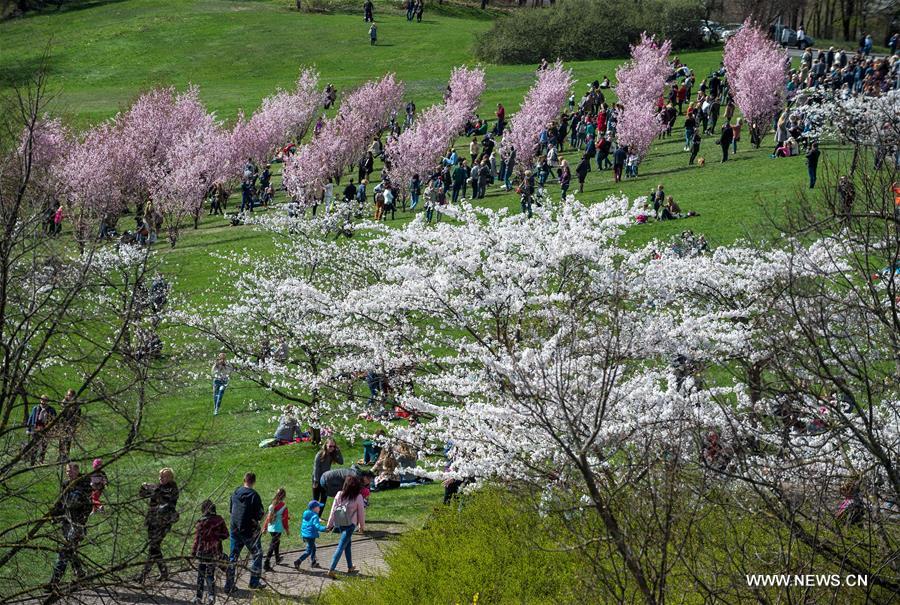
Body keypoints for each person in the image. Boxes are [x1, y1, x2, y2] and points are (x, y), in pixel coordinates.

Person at [48, 463, 93, 591]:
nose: (69, 473)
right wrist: (52, 515)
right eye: (67, 471)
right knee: (71, 552)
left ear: (77, 471)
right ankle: (81, 575)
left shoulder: (84, 484)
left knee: (65, 552)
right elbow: (61, 503)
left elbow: (88, 506)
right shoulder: (65, 484)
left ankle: (54, 582)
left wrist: (80, 520)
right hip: (66, 524)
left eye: (71, 471)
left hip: (78, 525)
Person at [224, 472, 266, 592]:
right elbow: (259, 514)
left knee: (233, 557)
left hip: (235, 529)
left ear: (244, 480)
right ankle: (254, 582)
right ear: (254, 481)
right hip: (249, 532)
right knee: (257, 554)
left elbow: (231, 510)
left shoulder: (236, 492)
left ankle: (229, 585)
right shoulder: (254, 495)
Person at [139, 467, 180, 582]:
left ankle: (144, 574)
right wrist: (144, 487)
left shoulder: (172, 489)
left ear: (170, 477)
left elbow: (166, 502)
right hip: (152, 521)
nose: (161, 478)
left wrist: (154, 489)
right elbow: (142, 495)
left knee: (154, 547)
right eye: (160, 476)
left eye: (164, 476)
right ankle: (161, 572)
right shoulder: (157, 487)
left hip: (163, 522)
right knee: (154, 547)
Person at [325, 475, 367, 579]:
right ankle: (331, 569)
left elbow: (333, 510)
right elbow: (361, 513)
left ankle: (350, 567)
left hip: (340, 522)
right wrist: (362, 527)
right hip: (350, 525)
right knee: (341, 546)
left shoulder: (339, 494)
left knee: (347, 544)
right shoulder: (358, 497)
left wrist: (329, 524)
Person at [191, 499, 229, 605]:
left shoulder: (201, 522)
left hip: (202, 551)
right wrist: (217, 537)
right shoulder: (220, 520)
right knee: (210, 574)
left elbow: (197, 539)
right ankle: (211, 597)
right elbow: (226, 535)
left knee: (200, 575)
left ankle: (198, 597)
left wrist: (193, 552)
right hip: (214, 551)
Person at [263, 488, 289, 572]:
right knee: (273, 545)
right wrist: (287, 529)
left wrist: (265, 527)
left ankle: (277, 558)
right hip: (278, 528)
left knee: (276, 542)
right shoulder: (284, 506)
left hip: (271, 527)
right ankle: (266, 563)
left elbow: (268, 517)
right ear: (284, 496)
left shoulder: (271, 505)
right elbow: (284, 520)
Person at [26, 394, 56, 465]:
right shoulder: (35, 408)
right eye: (42, 400)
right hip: (35, 429)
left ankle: (41, 461)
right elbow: (30, 418)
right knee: (34, 446)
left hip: (45, 430)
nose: (43, 402)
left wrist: (52, 430)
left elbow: (54, 420)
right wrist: (28, 429)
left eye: (45, 400)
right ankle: (32, 462)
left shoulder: (51, 410)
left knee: (43, 446)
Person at [312, 439, 343, 506]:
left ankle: (318, 515)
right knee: (315, 500)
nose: (332, 448)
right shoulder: (320, 454)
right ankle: (313, 515)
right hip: (317, 478)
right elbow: (316, 468)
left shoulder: (332, 454)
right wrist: (316, 481)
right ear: (326, 445)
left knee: (323, 499)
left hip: (325, 479)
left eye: (334, 446)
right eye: (330, 446)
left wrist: (338, 451)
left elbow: (341, 462)